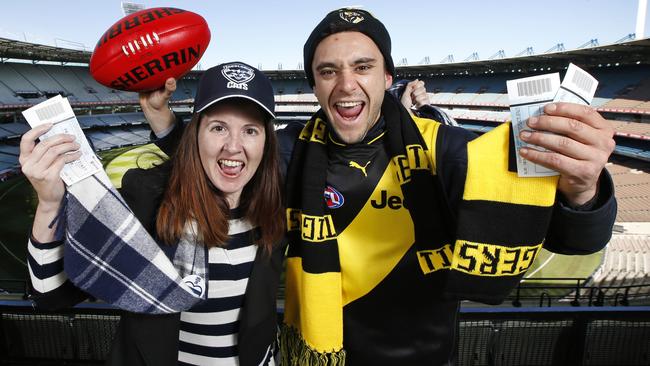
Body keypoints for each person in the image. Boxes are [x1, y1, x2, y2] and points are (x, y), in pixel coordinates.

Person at [143, 8, 617, 365]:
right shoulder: (288, 150)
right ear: (315, 85)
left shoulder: (446, 150)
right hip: (310, 354)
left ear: (387, 78)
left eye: (363, 67)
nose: (346, 84)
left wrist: (582, 190)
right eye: (328, 72)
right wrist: (167, 125)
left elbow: (569, 237)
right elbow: (222, 157)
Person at [21, 62, 284, 366]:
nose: (233, 147)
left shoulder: (275, 204)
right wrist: (50, 203)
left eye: (250, 130)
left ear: (266, 141)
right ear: (195, 134)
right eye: (218, 128)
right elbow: (51, 295)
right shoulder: (149, 199)